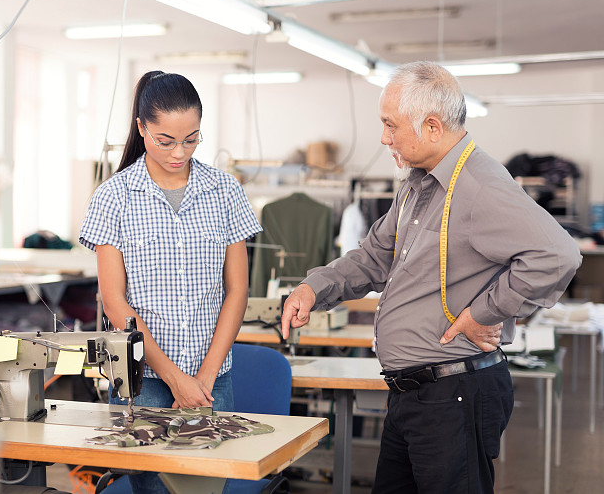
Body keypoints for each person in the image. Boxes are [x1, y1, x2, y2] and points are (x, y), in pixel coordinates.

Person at [281, 61, 581, 494]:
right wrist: (314, 288)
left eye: (391, 125)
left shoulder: (479, 185)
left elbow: (557, 255)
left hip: (454, 394)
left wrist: (485, 312)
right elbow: (374, 257)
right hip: (413, 395)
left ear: (433, 127)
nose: (384, 137)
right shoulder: (416, 186)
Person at [79, 71, 261, 492]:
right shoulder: (114, 197)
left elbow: (237, 291)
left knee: (209, 486)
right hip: (144, 383)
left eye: (192, 139)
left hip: (214, 379)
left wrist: (205, 377)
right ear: (142, 128)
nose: (180, 152)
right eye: (166, 140)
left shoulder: (225, 191)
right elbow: (114, 301)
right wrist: (177, 379)